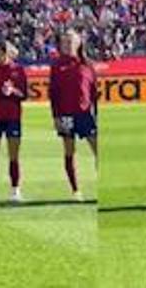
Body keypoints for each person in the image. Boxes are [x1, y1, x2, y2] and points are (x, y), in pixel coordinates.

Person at [49, 29, 98, 201]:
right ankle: (76, 191)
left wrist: (96, 114)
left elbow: (94, 92)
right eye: (65, 42)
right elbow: (53, 94)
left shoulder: (87, 64)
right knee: (70, 152)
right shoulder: (56, 66)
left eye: (71, 41)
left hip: (85, 114)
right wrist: (55, 117)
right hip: (66, 115)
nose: (68, 45)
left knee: (98, 149)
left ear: (78, 43)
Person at [0, 40, 27, 204]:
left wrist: (13, 91)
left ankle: (15, 191)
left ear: (5, 53)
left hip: (13, 116)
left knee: (14, 156)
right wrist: (2, 91)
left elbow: (24, 94)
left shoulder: (18, 70)